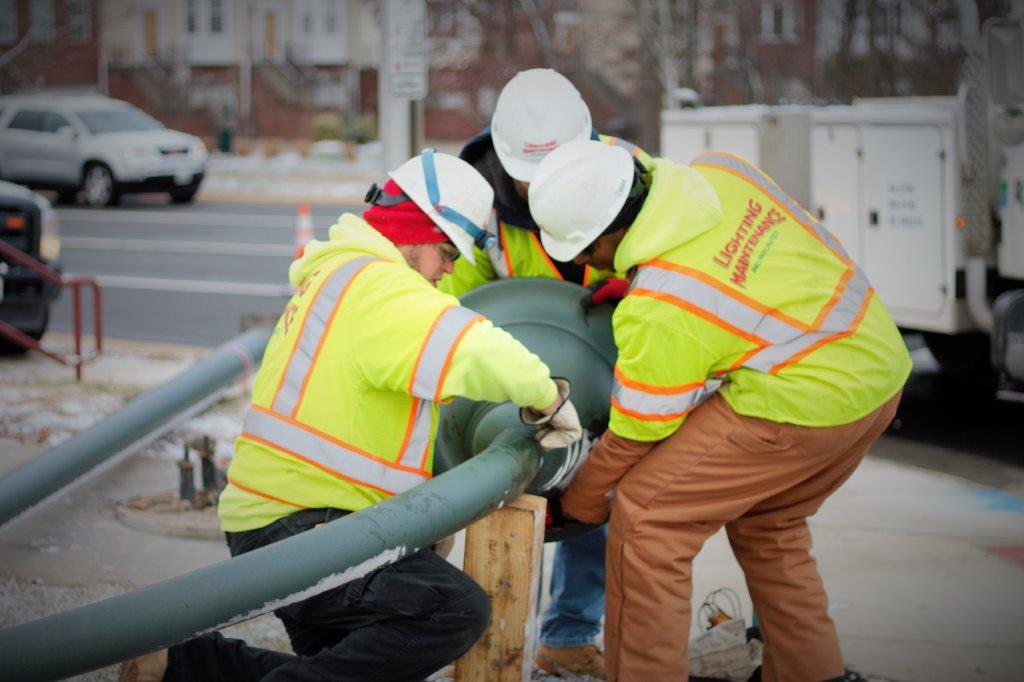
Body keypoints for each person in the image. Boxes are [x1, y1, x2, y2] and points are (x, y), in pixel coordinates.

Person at [120, 150, 582, 682]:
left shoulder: (341, 276)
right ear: (414, 231)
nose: (450, 268)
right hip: (303, 526)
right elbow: (476, 350)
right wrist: (548, 397)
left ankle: (183, 666)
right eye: (445, 252)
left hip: (289, 519)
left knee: (344, 670)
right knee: (452, 610)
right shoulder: (381, 289)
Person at [528, 139, 911, 682]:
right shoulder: (721, 170)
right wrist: (645, 277)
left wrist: (579, 503)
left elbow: (639, 433)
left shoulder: (661, 308)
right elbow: (746, 269)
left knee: (647, 521)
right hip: (876, 366)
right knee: (769, 523)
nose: (590, 267)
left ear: (610, 234)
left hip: (802, 400)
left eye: (588, 254)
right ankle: (813, 673)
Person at [436, 68, 648, 680]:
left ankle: (569, 633)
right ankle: (486, 638)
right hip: (513, 375)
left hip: (610, 356)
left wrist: (638, 288)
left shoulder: (627, 175)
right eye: (531, 180)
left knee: (598, 494)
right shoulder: (481, 204)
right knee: (499, 500)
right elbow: (457, 306)